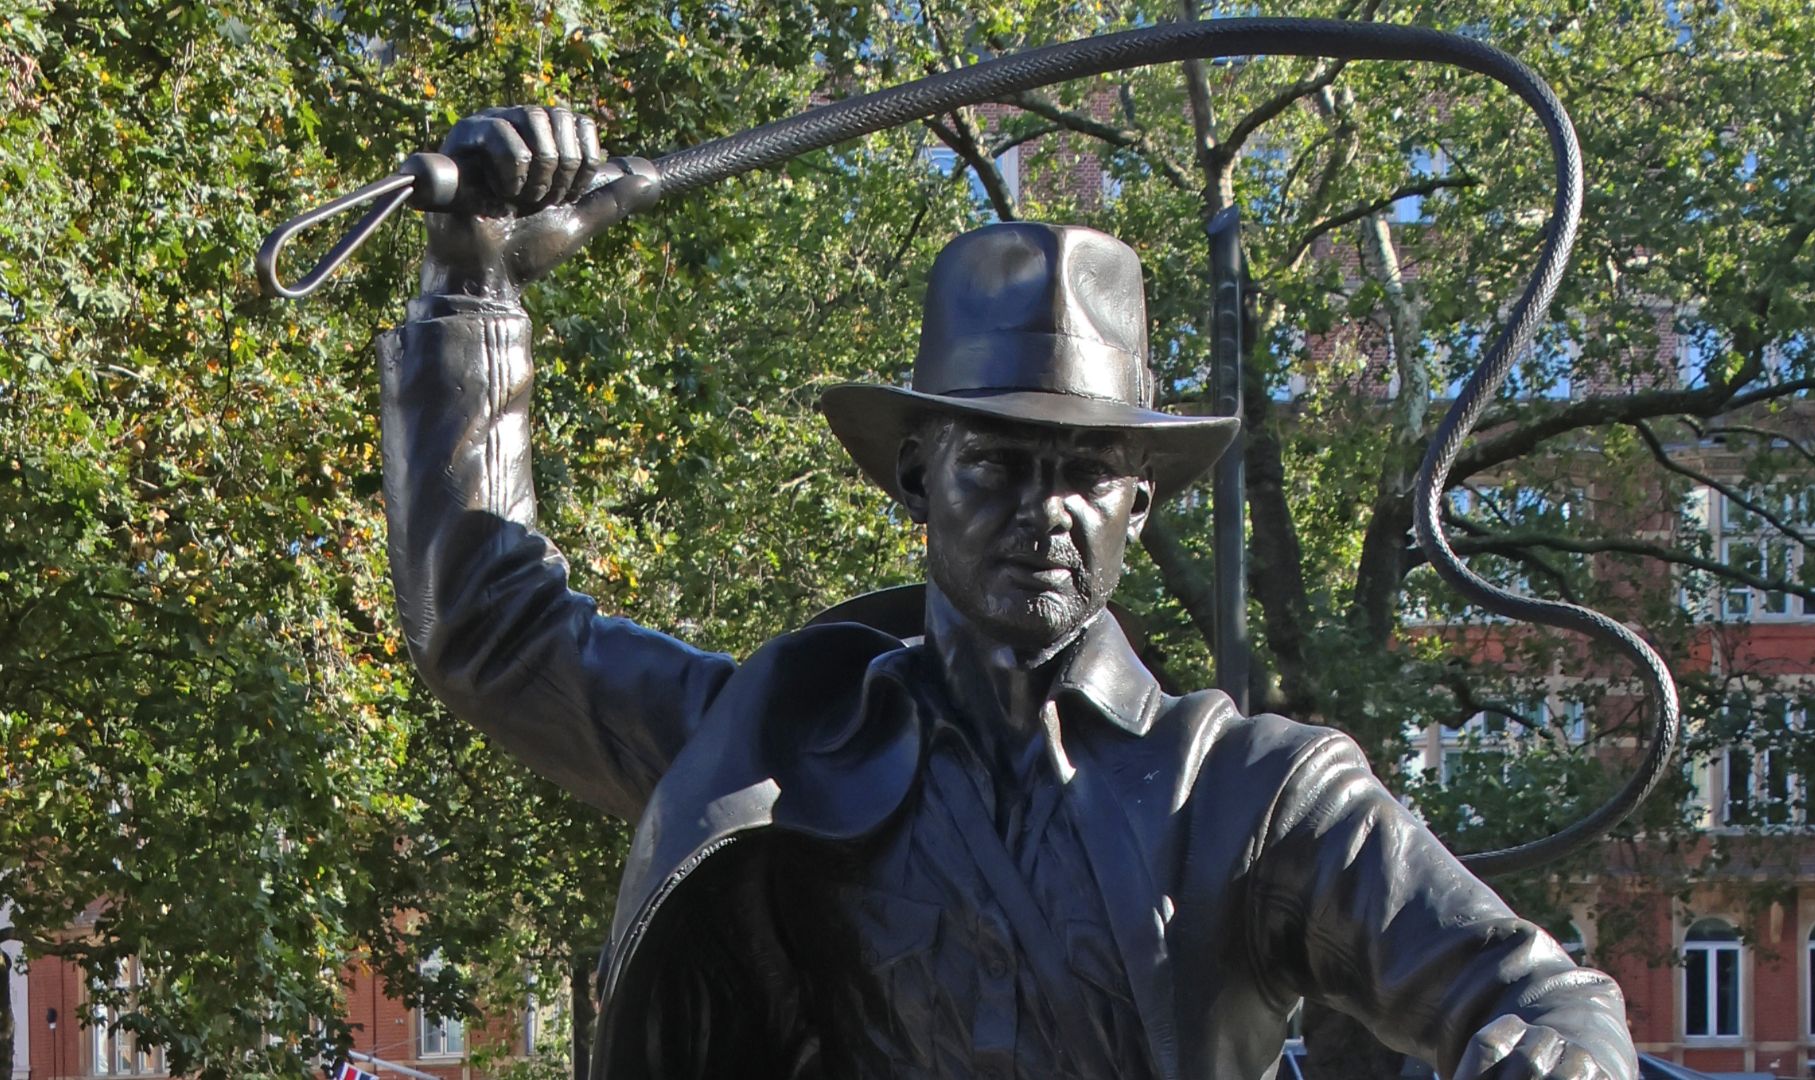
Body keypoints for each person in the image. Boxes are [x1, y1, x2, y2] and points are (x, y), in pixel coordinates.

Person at [379, 105, 1637, 1080]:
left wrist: (1554, 1051)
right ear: (918, 480)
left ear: (1139, 507)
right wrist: (474, 288)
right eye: (997, 465)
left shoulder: (1259, 797)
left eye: (1089, 471)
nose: (1046, 510)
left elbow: (1530, 988)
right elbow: (491, 628)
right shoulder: (770, 745)